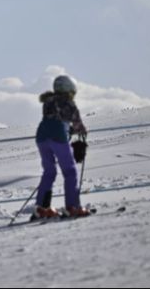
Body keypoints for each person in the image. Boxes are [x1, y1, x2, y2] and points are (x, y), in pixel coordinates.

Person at [32, 74, 90, 219]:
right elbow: (76, 123)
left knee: (49, 172)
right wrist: (81, 131)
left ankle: (42, 208)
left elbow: (55, 120)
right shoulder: (68, 102)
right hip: (58, 137)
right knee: (70, 171)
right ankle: (73, 206)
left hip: (41, 137)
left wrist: (68, 129)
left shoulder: (47, 102)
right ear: (69, 89)